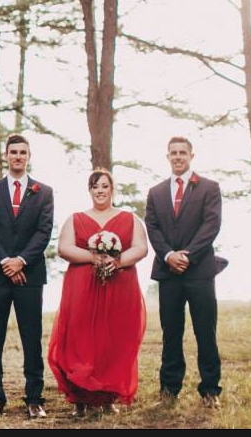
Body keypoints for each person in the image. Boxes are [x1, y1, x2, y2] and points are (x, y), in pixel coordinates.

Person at [47, 169, 147, 416]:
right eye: (95, 186)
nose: (100, 190)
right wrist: (93, 257)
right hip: (82, 288)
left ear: (112, 189)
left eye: (104, 186)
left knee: (113, 340)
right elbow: (64, 248)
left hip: (119, 286)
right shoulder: (76, 218)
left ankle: (107, 398)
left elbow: (141, 247)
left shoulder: (129, 218)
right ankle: (80, 399)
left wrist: (118, 261)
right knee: (79, 339)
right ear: (89, 190)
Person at [145, 137, 226, 408]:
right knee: (171, 332)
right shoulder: (155, 192)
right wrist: (168, 255)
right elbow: (153, 228)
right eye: (173, 153)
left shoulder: (209, 188)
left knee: (205, 331)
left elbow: (211, 226)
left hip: (200, 271)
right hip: (169, 273)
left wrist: (187, 256)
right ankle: (169, 389)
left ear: (191, 155)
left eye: (183, 152)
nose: (178, 157)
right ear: (167, 156)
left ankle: (210, 390)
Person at [0, 134, 54, 419]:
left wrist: (21, 261)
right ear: (6, 156)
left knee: (31, 337)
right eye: (14, 152)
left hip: (30, 276)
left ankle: (34, 398)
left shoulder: (43, 192)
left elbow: (43, 232)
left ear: (29, 155)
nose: (18, 156)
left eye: (23, 152)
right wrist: (5, 262)